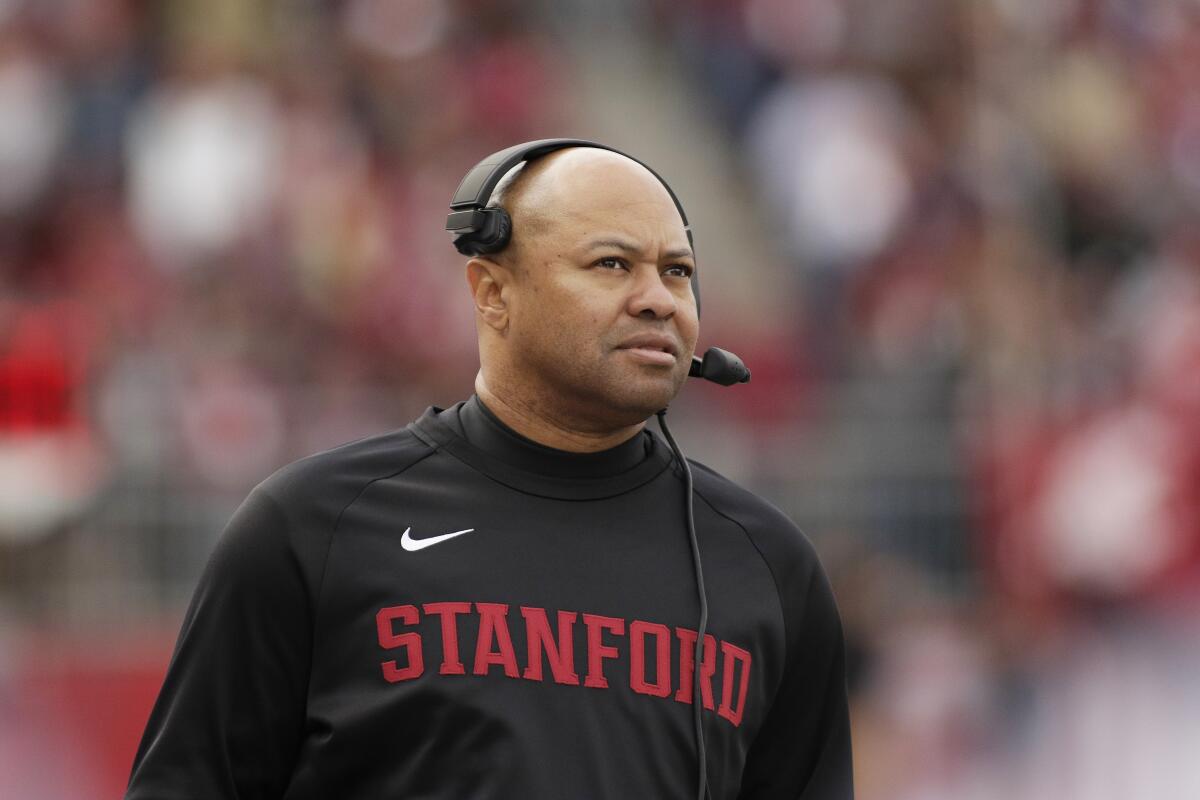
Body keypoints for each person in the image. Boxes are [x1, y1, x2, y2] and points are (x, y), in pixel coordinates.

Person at [126, 143, 853, 799]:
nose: (658, 299)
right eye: (612, 264)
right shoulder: (314, 528)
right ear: (491, 294)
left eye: (678, 271)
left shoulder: (768, 565)